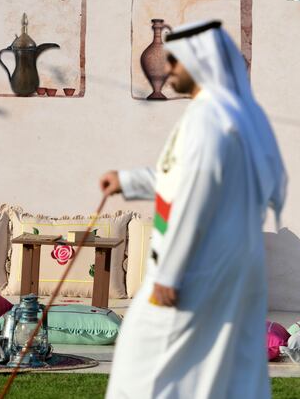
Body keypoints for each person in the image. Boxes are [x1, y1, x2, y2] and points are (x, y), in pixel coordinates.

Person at [99, 20, 287, 399]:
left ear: (199, 63)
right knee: (216, 370)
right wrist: (130, 180)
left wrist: (170, 272)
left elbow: (194, 195)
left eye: (175, 62)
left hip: (196, 268)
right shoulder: (238, 115)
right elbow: (183, 178)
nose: (168, 71)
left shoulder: (208, 119)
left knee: (146, 367)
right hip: (229, 264)